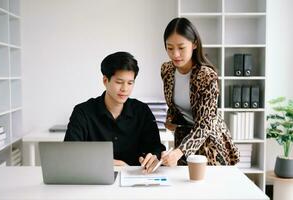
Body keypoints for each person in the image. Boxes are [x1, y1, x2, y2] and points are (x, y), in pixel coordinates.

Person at [64, 51, 166, 171]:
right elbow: (70, 153)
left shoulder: (142, 111)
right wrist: (106, 163)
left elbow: (156, 148)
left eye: (130, 83)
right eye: (119, 82)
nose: (125, 89)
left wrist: (154, 157)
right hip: (94, 180)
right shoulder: (83, 112)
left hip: (135, 179)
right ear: (105, 81)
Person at [160, 17, 240, 166]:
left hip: (209, 142)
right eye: (170, 48)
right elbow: (173, 104)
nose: (175, 54)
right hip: (184, 138)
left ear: (194, 44)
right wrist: (171, 119)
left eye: (181, 47)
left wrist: (179, 151)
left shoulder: (206, 76)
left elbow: (205, 125)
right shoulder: (167, 70)